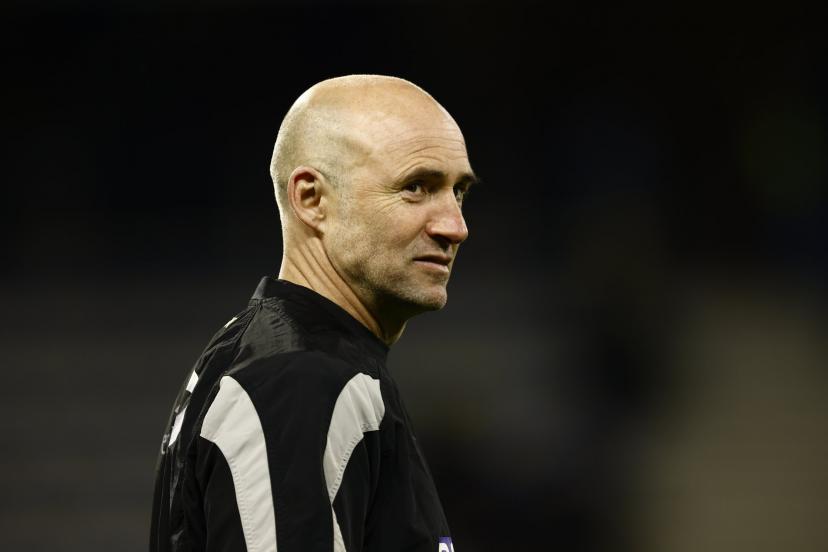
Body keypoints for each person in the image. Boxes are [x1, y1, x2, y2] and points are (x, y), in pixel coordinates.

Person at [150, 75, 476, 552]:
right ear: (311, 199)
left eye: (458, 191)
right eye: (416, 187)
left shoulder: (289, 359)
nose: (455, 226)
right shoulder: (299, 379)